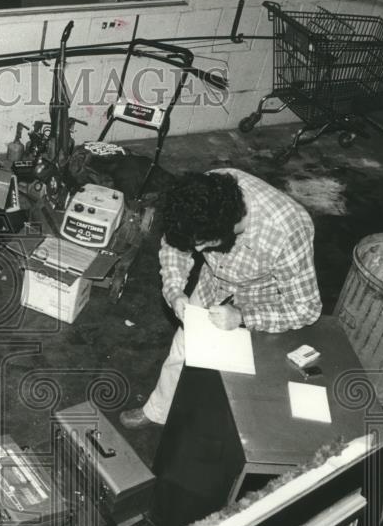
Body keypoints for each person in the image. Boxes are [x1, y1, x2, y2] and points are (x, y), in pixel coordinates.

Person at [120, 168, 322, 429]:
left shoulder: (289, 230)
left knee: (240, 382)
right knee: (182, 350)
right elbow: (176, 246)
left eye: (204, 243)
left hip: (262, 304)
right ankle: (158, 410)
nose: (199, 251)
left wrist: (242, 316)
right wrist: (175, 291)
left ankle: (220, 434)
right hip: (211, 286)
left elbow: (306, 308)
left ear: (228, 227)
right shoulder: (207, 191)